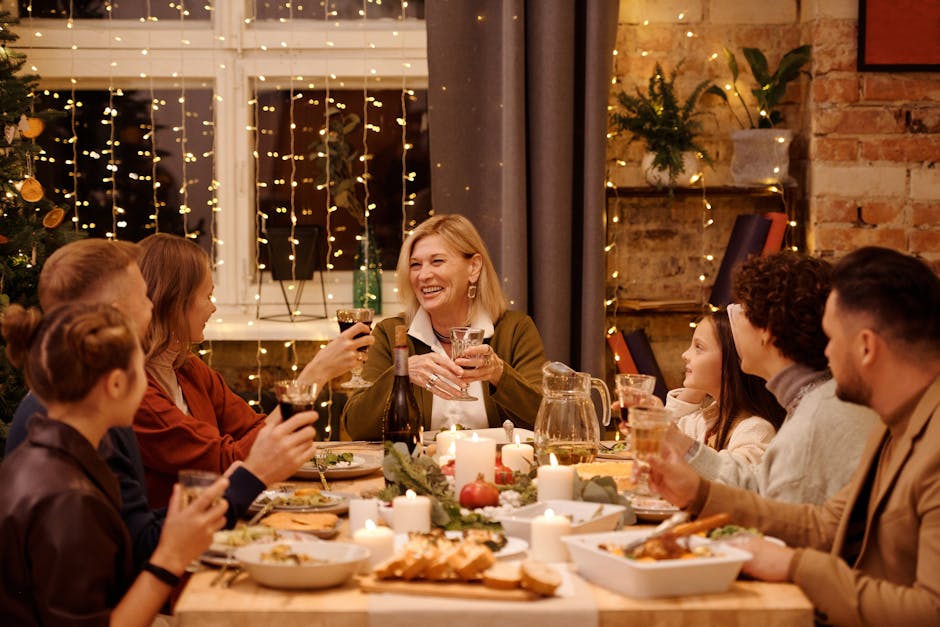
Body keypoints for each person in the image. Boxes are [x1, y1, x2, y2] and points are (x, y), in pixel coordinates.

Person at [648, 246, 940, 626]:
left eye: (832, 339)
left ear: (867, 347)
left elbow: (931, 611)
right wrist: (698, 494)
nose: (826, 354)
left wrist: (793, 565)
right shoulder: (893, 420)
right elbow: (825, 523)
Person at [5, 238, 319, 569]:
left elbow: (140, 529)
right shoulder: (107, 402)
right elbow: (138, 557)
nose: (152, 304)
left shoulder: (99, 397)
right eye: (144, 295)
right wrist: (253, 472)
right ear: (118, 312)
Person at [0, 302, 229, 626]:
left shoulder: (48, 453)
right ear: (117, 384)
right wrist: (171, 557)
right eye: (142, 370)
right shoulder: (70, 501)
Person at [133, 233, 374, 508]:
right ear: (175, 301)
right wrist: (313, 377)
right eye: (207, 296)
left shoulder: (187, 367)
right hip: (179, 535)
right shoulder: (138, 394)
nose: (213, 307)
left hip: (221, 514)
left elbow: (253, 428)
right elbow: (227, 461)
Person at [669, 251, 879, 504]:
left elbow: (780, 509)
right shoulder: (808, 401)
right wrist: (681, 446)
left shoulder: (816, 415)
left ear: (767, 332)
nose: (734, 321)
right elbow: (760, 484)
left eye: (744, 313)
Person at [342, 214, 547, 439]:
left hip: (497, 470)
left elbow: (546, 419)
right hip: (417, 471)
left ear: (474, 267)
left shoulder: (515, 330)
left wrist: (499, 374)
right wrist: (402, 373)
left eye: (437, 261)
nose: (424, 275)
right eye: (415, 265)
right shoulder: (392, 334)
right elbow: (357, 427)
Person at [665, 309, 785, 464]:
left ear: (730, 362)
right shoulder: (711, 418)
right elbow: (666, 434)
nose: (685, 355)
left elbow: (733, 478)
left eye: (698, 347)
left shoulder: (756, 429)